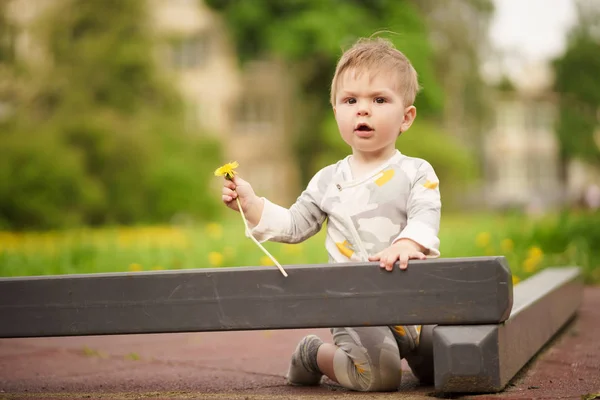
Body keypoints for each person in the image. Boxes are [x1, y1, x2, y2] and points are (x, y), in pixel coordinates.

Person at [219, 37, 441, 392]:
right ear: (336, 110)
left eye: (379, 100)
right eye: (350, 100)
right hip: (355, 303)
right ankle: (314, 354)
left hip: (414, 299)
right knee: (379, 378)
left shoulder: (417, 172)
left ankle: (414, 350)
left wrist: (409, 241)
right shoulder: (328, 180)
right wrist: (252, 203)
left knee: (441, 368)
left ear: (406, 117)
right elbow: (294, 224)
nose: (363, 110)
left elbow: (425, 214)